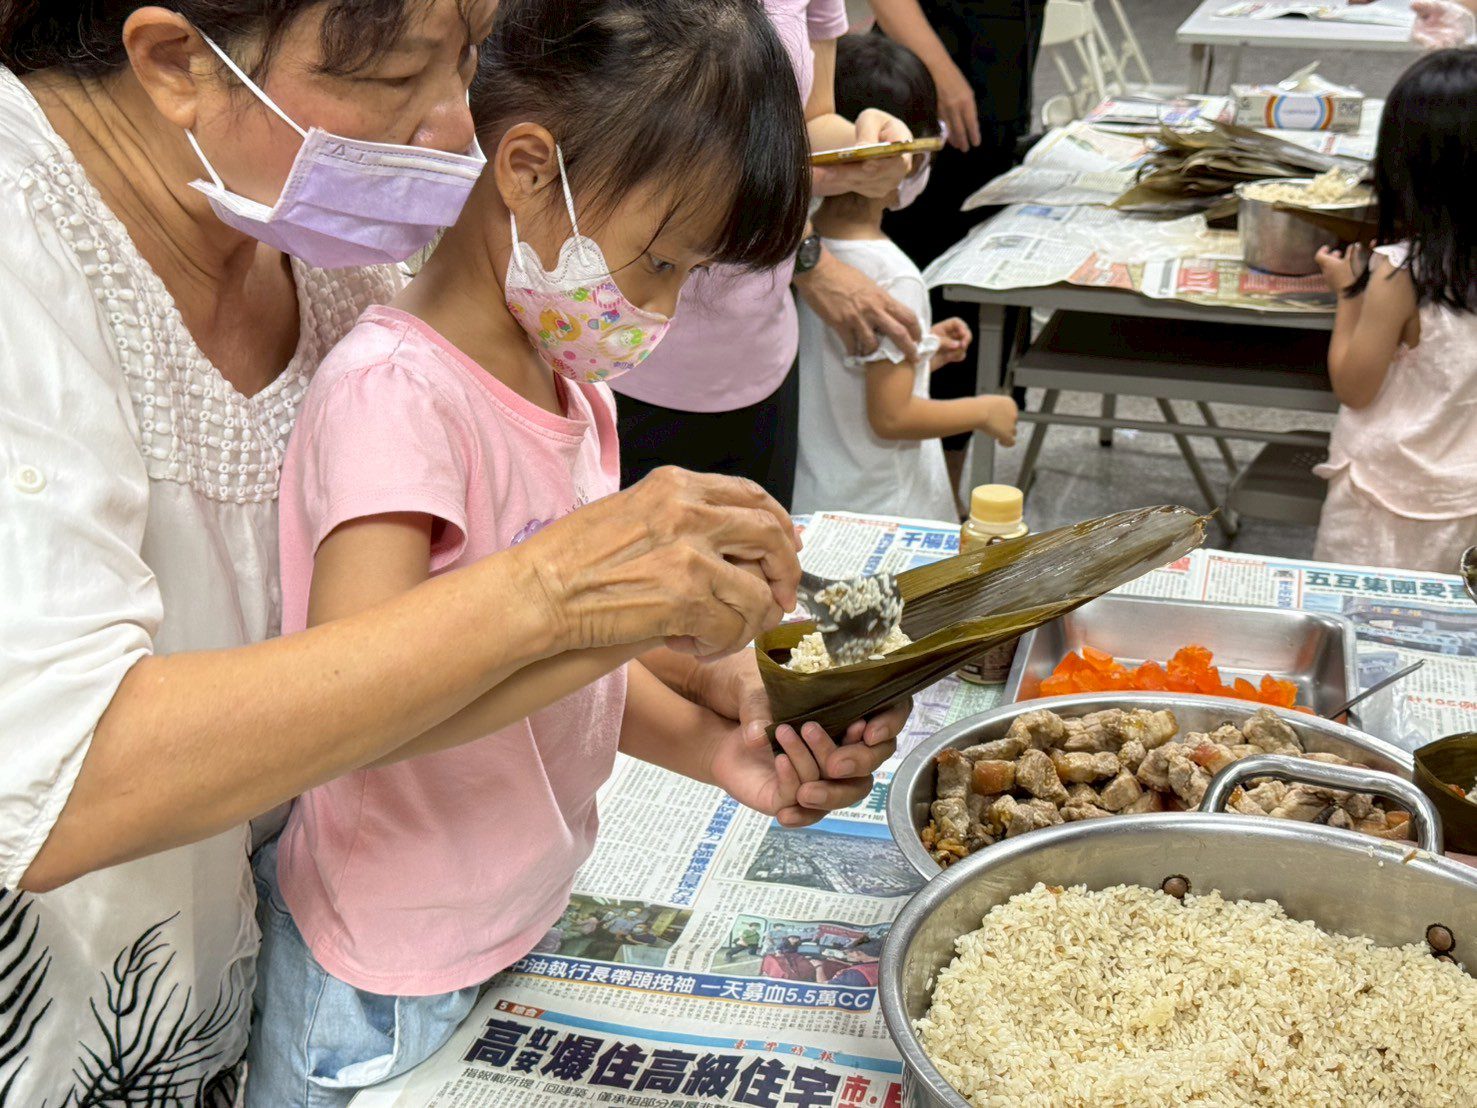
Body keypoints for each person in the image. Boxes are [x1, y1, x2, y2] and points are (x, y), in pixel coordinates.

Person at [0, 1, 906, 1098]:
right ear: (176, 60)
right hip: (328, 970)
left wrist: (712, 721)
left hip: (434, 931)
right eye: (398, 76)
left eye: (471, 53)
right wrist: (590, 604)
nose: (451, 127)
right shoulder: (387, 383)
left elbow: (497, 649)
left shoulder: (513, 351)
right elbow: (363, 691)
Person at [243, 2, 827, 1099]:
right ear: (524, 170)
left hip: (513, 912)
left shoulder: (567, 386)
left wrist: (714, 750)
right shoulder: (396, 397)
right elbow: (355, 704)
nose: (659, 309)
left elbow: (561, 678)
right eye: (658, 261)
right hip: (389, 969)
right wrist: (634, 618)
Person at [612, 0, 925, 507]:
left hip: (760, 353)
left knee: (761, 548)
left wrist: (866, 145)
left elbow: (809, 123)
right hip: (626, 353)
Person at [793, 34, 1018, 520]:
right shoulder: (893, 276)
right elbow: (892, 416)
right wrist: (985, 411)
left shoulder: (796, 253)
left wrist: (921, 354)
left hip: (813, 497)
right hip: (886, 508)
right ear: (908, 156)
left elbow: (839, 375)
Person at [1311, 48, 1477, 574]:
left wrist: (1348, 295)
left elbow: (1355, 387)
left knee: (1371, 615)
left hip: (1390, 496)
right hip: (1468, 498)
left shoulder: (1402, 272)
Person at [877, 0, 1047, 494]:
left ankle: (949, 494)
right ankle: (929, 494)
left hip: (997, 88)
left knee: (974, 316)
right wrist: (942, 73)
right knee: (932, 298)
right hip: (938, 83)